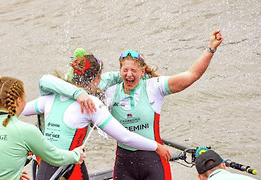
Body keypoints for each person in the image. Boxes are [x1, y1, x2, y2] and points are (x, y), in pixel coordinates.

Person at [37, 30, 224, 180]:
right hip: (124, 164)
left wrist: (210, 49)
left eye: (133, 70)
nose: (129, 74)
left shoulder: (153, 88)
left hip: (154, 162)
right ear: (119, 72)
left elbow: (191, 76)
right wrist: (76, 91)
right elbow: (74, 83)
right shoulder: (109, 92)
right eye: (125, 70)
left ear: (142, 71)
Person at [22, 54, 171, 180]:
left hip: (42, 165)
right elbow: (125, 137)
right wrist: (156, 146)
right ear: (96, 80)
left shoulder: (52, 97)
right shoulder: (90, 104)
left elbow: (21, 110)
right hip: (69, 169)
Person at [0, 76, 86, 180]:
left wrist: (10, 173)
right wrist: (76, 155)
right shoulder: (25, 130)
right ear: (18, 100)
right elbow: (55, 157)